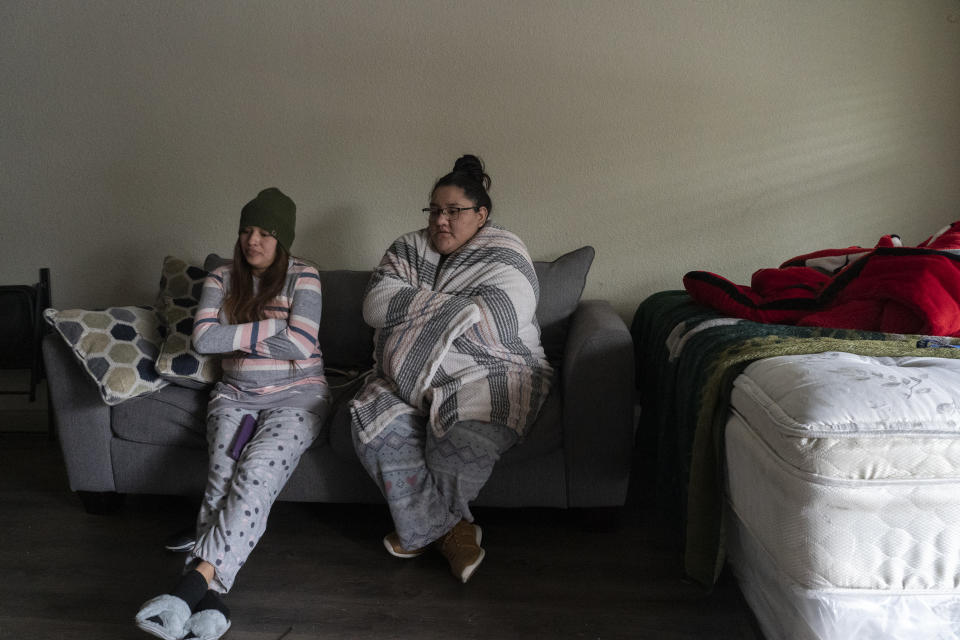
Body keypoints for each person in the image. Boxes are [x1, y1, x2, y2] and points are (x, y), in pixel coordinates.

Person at [135, 188, 330, 640]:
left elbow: (302, 344)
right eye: (246, 230)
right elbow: (204, 339)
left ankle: (187, 591)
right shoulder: (221, 276)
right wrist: (275, 327)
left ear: (284, 240)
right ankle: (210, 606)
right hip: (236, 397)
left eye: (264, 232)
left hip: (297, 397)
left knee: (256, 473)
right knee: (221, 480)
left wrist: (237, 334)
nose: (252, 241)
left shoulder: (305, 276)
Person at [351, 155, 553, 583]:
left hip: (490, 369)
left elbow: (501, 316)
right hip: (402, 377)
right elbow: (375, 305)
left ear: (481, 215)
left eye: (454, 211)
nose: (441, 220)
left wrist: (417, 313)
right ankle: (453, 533)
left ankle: (421, 529)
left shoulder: (505, 250)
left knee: (462, 446)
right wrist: (453, 312)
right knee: (375, 428)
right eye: (435, 210)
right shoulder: (408, 247)